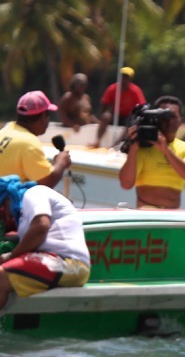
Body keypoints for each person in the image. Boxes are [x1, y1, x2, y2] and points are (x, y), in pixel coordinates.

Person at [0, 176, 91, 311]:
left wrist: (10, 256)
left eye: (3, 208)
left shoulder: (34, 193)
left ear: (8, 199)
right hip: (55, 261)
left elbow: (41, 227)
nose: (6, 215)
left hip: (71, 264)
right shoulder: (24, 216)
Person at [118, 95, 185, 209]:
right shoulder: (143, 147)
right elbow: (126, 184)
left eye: (172, 116)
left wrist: (166, 150)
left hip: (172, 216)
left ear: (181, 120)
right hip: (146, 214)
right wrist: (133, 147)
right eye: (163, 116)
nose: (168, 120)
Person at [0, 92, 71, 187]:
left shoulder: (5, 130)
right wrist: (61, 162)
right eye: (48, 114)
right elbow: (46, 183)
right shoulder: (29, 143)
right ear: (43, 117)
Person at [92, 66, 145, 148]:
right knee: (106, 116)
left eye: (126, 77)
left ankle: (115, 145)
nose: (124, 79)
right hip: (115, 115)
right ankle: (97, 141)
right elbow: (104, 103)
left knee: (130, 122)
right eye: (122, 76)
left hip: (127, 117)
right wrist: (101, 118)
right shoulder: (112, 88)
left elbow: (142, 106)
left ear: (130, 79)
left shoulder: (135, 91)